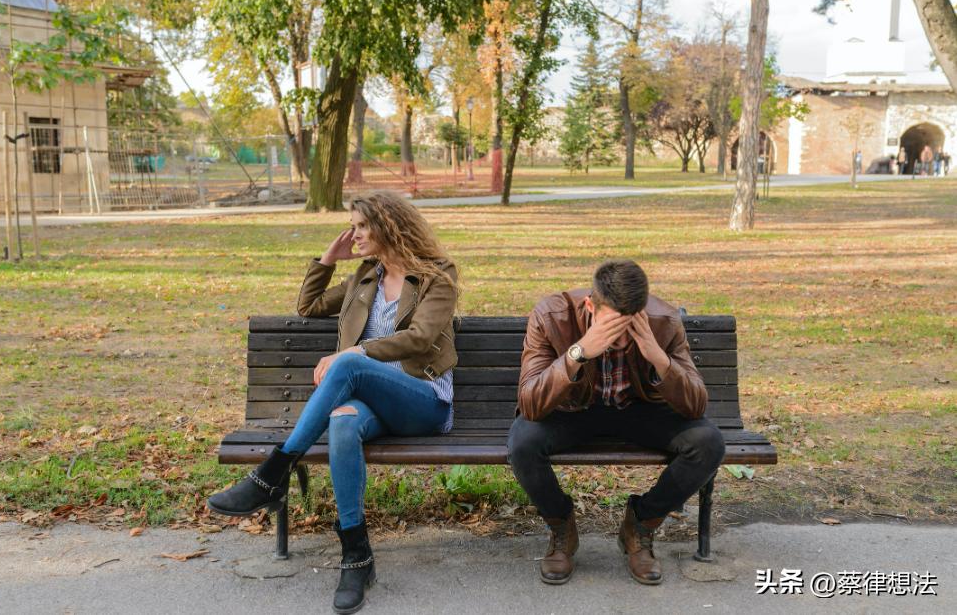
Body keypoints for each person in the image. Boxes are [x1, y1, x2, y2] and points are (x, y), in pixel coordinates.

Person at [208, 190, 459, 614]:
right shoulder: (364, 278)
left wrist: (354, 353)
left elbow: (421, 338)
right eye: (354, 226)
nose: (354, 234)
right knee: (343, 421)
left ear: (388, 226)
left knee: (348, 366)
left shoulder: (437, 274)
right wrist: (327, 258)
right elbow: (308, 306)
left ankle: (273, 472)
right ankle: (356, 556)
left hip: (423, 400)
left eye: (362, 226)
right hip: (371, 403)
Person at [507, 260, 724, 587]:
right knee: (522, 442)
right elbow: (531, 404)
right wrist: (578, 353)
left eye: (629, 328)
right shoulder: (552, 315)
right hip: (573, 411)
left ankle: (640, 525)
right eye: (611, 327)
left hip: (638, 410)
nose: (620, 340)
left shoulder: (663, 321)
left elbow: (695, 405)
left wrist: (656, 355)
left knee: (708, 443)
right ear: (591, 306)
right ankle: (561, 527)